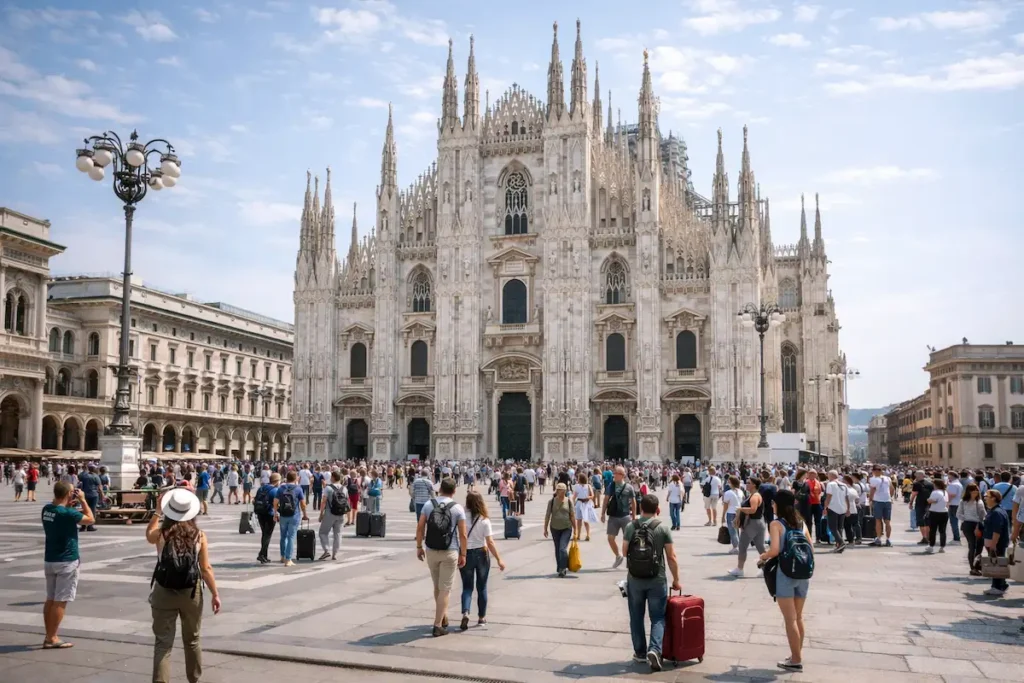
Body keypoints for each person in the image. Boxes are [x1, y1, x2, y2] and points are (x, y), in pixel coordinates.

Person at [146, 487, 221, 683]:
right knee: (193, 639)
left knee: (163, 643)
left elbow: (148, 534)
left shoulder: (161, 533)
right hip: (191, 592)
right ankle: (194, 679)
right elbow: (205, 568)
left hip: (163, 590)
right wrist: (215, 593)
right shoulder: (199, 535)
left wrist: (157, 511)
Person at [623, 493, 681, 672]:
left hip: (635, 579)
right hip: (657, 578)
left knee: (636, 616)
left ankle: (640, 652)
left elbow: (624, 552)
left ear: (641, 508)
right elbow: (671, 556)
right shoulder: (662, 528)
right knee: (657, 617)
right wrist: (676, 579)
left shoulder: (631, 526)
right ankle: (654, 650)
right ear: (658, 509)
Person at [759, 489, 812, 672]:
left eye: (774, 503)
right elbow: (810, 547)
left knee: (789, 620)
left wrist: (763, 556)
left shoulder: (776, 524)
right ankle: (796, 654)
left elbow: (774, 550)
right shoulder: (800, 522)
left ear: (778, 504)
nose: (772, 505)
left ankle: (796, 659)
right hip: (803, 574)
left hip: (786, 573)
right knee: (798, 617)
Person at [41, 481, 93, 649]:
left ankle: (48, 634)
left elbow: (60, 512)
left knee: (50, 598)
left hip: (50, 559)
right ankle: (52, 637)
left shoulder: (47, 510)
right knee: (61, 600)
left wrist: (68, 504)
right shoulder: (67, 514)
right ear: (69, 494)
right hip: (67, 560)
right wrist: (84, 501)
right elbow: (90, 519)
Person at [417, 477, 468, 637]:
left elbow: (420, 528)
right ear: (454, 491)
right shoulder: (458, 508)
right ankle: (438, 624)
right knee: (445, 589)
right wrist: (463, 553)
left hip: (431, 550)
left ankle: (443, 615)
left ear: (439, 489)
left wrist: (419, 547)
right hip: (450, 550)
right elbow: (463, 534)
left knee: (437, 587)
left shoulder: (428, 505)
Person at [459, 491, 505, 630]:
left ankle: (465, 612)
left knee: (467, 587)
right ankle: (481, 617)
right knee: (482, 587)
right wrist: (499, 559)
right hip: (481, 554)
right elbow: (490, 542)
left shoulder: (461, 518)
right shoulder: (484, 520)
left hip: (465, 554)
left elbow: (459, 536)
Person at [602, 466, 637, 569]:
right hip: (613, 516)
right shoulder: (610, 486)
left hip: (625, 516)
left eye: (616, 473)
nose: (614, 475)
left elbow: (633, 502)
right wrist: (603, 513)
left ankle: (631, 559)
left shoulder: (629, 487)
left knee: (629, 539)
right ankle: (618, 555)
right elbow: (606, 499)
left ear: (622, 475)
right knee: (610, 538)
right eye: (614, 473)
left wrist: (634, 516)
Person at [730, 477, 766, 576]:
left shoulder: (754, 496)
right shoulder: (755, 495)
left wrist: (741, 509)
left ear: (754, 485)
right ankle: (766, 569)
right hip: (759, 523)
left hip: (752, 523)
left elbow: (753, 509)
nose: (746, 484)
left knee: (742, 546)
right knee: (760, 547)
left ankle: (740, 569)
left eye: (749, 483)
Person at [273, 471, 308, 566]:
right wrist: (305, 514)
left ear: (287, 478)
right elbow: (303, 504)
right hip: (294, 515)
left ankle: (282, 556)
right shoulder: (298, 489)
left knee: (283, 536)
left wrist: (275, 513)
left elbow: (275, 502)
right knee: (291, 537)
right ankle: (288, 559)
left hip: (283, 515)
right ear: (296, 478)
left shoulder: (281, 488)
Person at [981, 489, 1010, 597]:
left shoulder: (997, 512)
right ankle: (1000, 585)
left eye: (987, 496)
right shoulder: (994, 510)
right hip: (995, 542)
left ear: (993, 498)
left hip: (998, 543)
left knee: (996, 563)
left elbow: (997, 530)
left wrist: (993, 544)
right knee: (997, 563)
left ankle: (998, 587)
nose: (985, 498)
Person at [544, 483, 576, 577]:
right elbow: (547, 515)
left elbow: (572, 516)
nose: (559, 492)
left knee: (562, 549)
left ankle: (563, 567)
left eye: (561, 490)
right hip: (554, 528)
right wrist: (545, 528)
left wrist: (576, 530)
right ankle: (560, 567)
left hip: (566, 527)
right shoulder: (552, 501)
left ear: (565, 491)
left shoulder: (569, 501)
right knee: (557, 549)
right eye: (558, 490)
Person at [957, 483, 986, 575]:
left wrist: (979, 521)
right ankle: (972, 567)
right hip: (968, 524)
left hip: (978, 525)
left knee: (979, 546)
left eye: (976, 490)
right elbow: (958, 514)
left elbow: (983, 515)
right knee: (972, 545)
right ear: (968, 492)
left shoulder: (979, 502)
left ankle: (977, 565)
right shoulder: (963, 501)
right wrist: (966, 518)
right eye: (972, 490)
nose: (975, 492)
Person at [319, 470, 348, 561]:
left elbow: (324, 501)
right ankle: (335, 553)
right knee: (338, 534)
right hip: (341, 513)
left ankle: (327, 549)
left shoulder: (328, 488)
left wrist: (321, 513)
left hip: (329, 512)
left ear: (333, 477)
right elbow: (346, 502)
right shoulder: (344, 488)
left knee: (323, 532)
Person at [253, 473, 279, 564]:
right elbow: (276, 504)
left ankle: (264, 555)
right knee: (267, 535)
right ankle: (262, 554)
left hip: (260, 513)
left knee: (264, 534)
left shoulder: (261, 488)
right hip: (269, 514)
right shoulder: (275, 490)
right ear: (276, 481)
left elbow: (255, 499)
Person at [868, 465, 894, 547]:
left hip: (878, 501)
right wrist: (890, 497)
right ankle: (888, 539)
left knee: (878, 520)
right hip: (887, 501)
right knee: (887, 521)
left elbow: (872, 490)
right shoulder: (887, 478)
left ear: (874, 471)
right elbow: (892, 489)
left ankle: (879, 538)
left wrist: (870, 500)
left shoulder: (873, 479)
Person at [926, 478, 950, 553]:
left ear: (936, 485)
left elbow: (931, 500)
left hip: (934, 512)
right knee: (942, 530)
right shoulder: (945, 492)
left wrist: (927, 500)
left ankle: (931, 546)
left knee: (933, 530)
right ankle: (942, 547)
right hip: (944, 512)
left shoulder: (935, 492)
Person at [572, 472, 597, 541]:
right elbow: (574, 496)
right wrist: (573, 504)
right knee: (579, 520)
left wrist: (587, 497)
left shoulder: (588, 486)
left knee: (586, 520)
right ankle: (578, 535)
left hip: (586, 503)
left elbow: (592, 495)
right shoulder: (577, 486)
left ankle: (588, 535)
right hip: (579, 503)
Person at [77, 465, 103, 533]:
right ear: (94, 469)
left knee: (84, 510)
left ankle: (83, 525)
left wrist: (84, 471)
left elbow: (79, 478)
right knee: (92, 510)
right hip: (94, 495)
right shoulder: (96, 476)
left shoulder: (84, 475)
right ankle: (90, 526)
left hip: (85, 495)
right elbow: (99, 487)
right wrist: (102, 495)